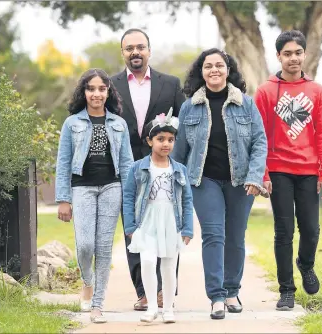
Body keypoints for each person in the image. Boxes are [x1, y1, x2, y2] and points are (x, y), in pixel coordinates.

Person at [172, 48, 268, 320]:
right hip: (204, 180)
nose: (213, 70)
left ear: (228, 70)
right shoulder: (190, 106)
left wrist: (255, 176)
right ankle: (215, 296)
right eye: (207, 66)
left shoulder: (246, 103)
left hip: (241, 181)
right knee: (214, 235)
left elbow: (260, 142)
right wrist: (176, 185)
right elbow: (180, 152)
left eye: (219, 65)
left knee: (236, 236)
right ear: (201, 72)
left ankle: (231, 290)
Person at [254, 30, 322, 311]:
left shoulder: (316, 92)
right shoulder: (265, 91)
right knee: (283, 230)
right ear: (278, 57)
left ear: (304, 55)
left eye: (297, 53)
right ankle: (286, 290)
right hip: (278, 170)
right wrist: (262, 173)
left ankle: (306, 264)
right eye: (287, 53)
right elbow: (259, 135)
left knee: (311, 230)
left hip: (309, 170)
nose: (293, 58)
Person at [111, 28, 185, 311]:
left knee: (168, 228)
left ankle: (166, 292)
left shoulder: (170, 84)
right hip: (128, 168)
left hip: (164, 169)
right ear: (123, 53)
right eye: (129, 48)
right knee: (134, 230)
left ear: (149, 50)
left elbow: (183, 125)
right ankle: (143, 292)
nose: (135, 52)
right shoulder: (112, 85)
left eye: (140, 47)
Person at [55, 68, 134, 323]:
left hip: (112, 187)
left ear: (108, 92)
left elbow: (128, 164)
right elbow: (63, 162)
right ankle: (87, 281)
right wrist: (63, 199)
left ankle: (97, 304)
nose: (96, 94)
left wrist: (130, 198)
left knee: (103, 248)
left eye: (101, 88)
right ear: (84, 92)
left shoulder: (118, 123)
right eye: (91, 89)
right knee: (85, 244)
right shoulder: (72, 123)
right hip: (82, 188)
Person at [123, 108, 193, 323]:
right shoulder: (138, 168)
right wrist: (130, 227)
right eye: (160, 139)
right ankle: (152, 306)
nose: (166, 144)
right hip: (147, 221)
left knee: (169, 265)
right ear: (149, 141)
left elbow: (187, 200)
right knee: (147, 260)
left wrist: (188, 228)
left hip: (171, 221)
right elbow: (128, 197)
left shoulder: (179, 169)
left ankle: (168, 308)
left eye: (171, 139)